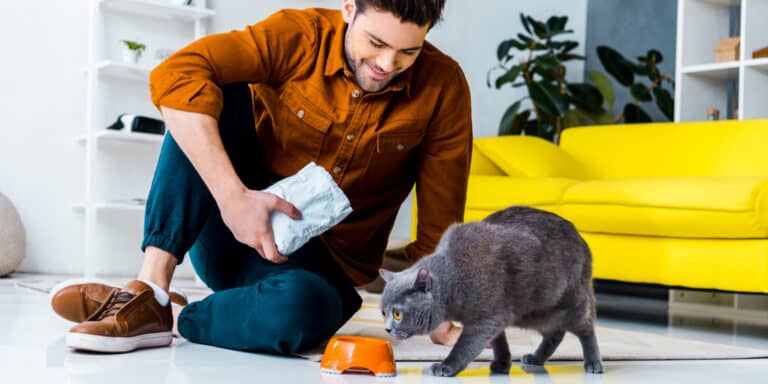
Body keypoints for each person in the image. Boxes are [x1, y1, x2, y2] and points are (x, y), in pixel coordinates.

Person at [52, 0, 472, 354]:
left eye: (408, 52)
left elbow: (441, 217)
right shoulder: (300, 35)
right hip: (235, 233)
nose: (387, 64)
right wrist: (233, 198)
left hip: (323, 273)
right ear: (349, 8)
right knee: (205, 90)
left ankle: (162, 312)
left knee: (297, 312)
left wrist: (436, 308)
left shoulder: (444, 87)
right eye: (376, 43)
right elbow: (175, 74)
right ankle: (151, 283)